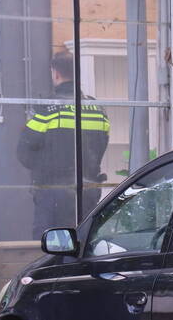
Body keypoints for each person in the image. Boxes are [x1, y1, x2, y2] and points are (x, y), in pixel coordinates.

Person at [17, 51, 110, 238]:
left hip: (53, 194)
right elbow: (101, 146)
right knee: (83, 245)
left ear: (55, 73)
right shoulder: (98, 109)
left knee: (49, 249)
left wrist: (46, 167)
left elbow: (24, 152)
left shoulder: (47, 109)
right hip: (88, 193)